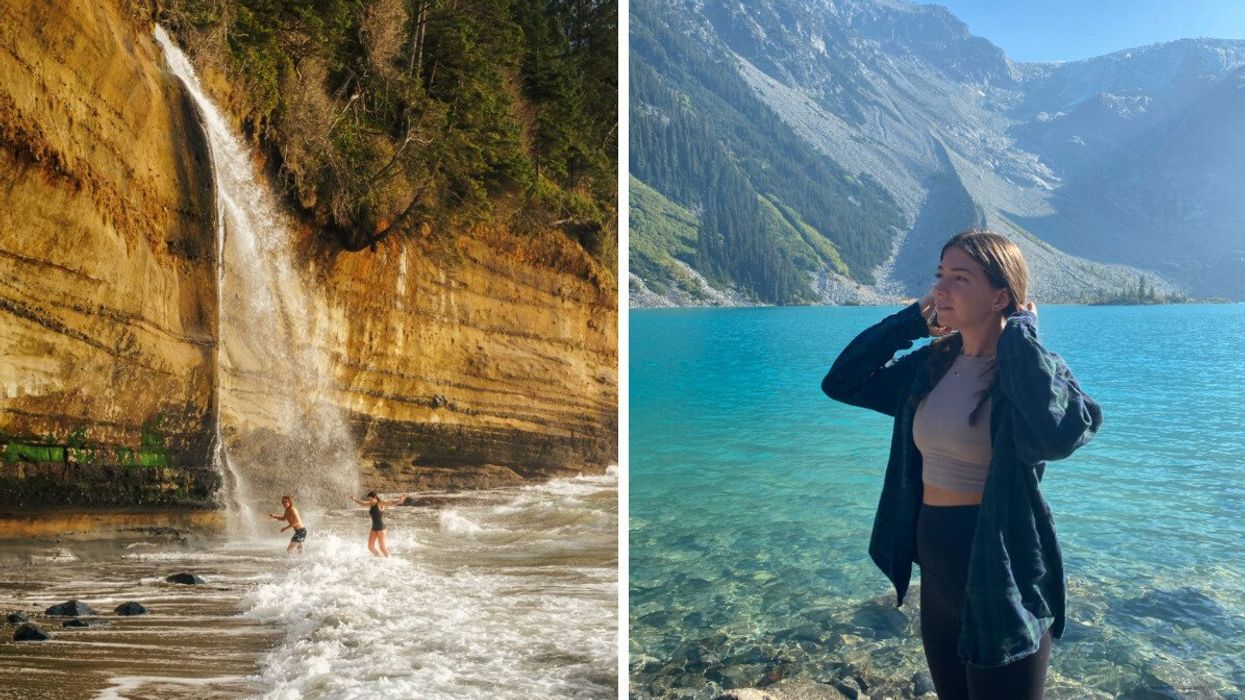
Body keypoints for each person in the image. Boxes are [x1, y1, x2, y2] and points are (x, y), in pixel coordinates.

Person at [821, 229, 1102, 699]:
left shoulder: (1033, 374)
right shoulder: (932, 367)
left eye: (960, 278)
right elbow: (841, 381)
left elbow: (1060, 433)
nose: (940, 290)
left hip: (1003, 573)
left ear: (1001, 297)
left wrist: (1023, 336)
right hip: (938, 575)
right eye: (940, 275)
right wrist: (912, 321)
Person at [348, 490, 408, 557]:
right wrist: (354, 499)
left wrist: (400, 500)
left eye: (371, 499)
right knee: (370, 547)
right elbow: (363, 504)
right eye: (369, 499)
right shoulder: (371, 504)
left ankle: (389, 560)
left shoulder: (380, 503)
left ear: (375, 498)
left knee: (382, 548)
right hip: (374, 528)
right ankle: (380, 558)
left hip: (381, 528)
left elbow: (391, 503)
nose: (369, 501)